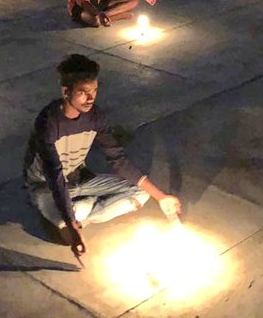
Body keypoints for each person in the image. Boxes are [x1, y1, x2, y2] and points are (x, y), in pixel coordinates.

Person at [24, 54, 181, 257]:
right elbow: (54, 176)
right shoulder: (49, 123)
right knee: (66, 223)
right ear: (66, 92)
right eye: (83, 92)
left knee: (142, 193)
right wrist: (71, 226)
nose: (90, 98)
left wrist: (162, 198)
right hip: (46, 187)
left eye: (94, 91)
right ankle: (75, 216)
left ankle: (84, 215)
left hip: (81, 179)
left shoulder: (94, 117)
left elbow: (118, 160)